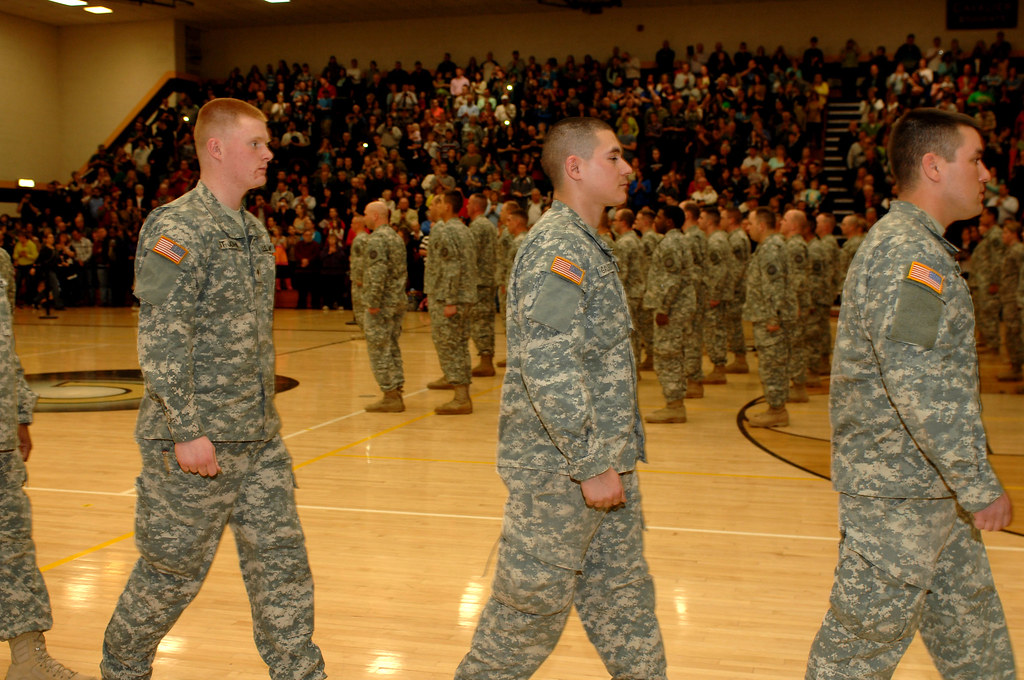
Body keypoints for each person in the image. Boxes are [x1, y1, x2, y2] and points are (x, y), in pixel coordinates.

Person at [100, 98, 326, 680]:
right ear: (217, 148)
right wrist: (186, 429)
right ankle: (121, 670)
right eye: (257, 143)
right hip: (197, 445)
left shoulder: (251, 231)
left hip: (258, 439)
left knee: (283, 569)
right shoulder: (177, 227)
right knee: (170, 575)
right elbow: (160, 336)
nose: (269, 154)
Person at [805, 108, 1015, 679]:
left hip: (930, 495)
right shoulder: (909, 256)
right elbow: (918, 381)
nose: (985, 173)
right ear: (933, 165)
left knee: (979, 649)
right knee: (856, 656)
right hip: (896, 500)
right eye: (974, 159)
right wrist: (976, 482)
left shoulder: (919, 248)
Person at [455, 117, 667, 679]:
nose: (628, 169)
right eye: (614, 158)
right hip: (564, 477)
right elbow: (546, 362)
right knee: (521, 626)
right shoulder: (558, 249)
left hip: (606, 466)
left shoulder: (589, 246)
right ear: (575, 168)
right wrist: (591, 461)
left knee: (627, 609)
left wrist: (609, 460)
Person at [1, 248, 96, 680]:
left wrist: (20, 413)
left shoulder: (1, 261)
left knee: (13, 546)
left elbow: (6, 346)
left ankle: (27, 661)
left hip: (0, 436)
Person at [423, 190, 477, 414]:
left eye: (437, 203)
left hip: (451, 298)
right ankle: (457, 387)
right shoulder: (462, 229)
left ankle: (461, 398)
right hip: (460, 296)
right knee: (458, 344)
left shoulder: (446, 231)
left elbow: (452, 267)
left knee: (451, 345)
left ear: (446, 207)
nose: (432, 207)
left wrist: (450, 301)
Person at [743, 207, 797, 427]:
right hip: (769, 317)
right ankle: (776, 407)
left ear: (762, 226)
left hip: (771, 320)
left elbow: (774, 286)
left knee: (772, 365)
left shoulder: (770, 249)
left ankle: (777, 410)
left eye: (751, 223)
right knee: (772, 364)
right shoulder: (770, 246)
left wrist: (773, 318)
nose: (748, 227)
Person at [644, 205, 696, 424]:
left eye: (658, 217)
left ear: (670, 222)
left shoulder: (670, 243)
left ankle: (675, 406)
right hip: (679, 305)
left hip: (673, 308)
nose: (655, 220)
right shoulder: (680, 240)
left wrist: (664, 308)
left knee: (667, 355)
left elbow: (672, 278)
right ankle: (675, 403)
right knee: (673, 353)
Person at [361, 200, 408, 412]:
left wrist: (373, 302)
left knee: (379, 348)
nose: (364, 218)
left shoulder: (377, 239)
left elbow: (377, 273)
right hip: (397, 300)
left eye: (366, 214)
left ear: (376, 216)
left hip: (382, 303)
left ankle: (390, 394)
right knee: (391, 345)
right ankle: (396, 388)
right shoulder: (396, 237)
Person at [466, 194, 498, 378]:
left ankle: (486, 361)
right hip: (486, 279)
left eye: (469, 203)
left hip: (480, 281)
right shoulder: (487, 224)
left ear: (476, 206)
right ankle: (485, 359)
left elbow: (471, 254)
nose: (467, 206)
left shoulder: (478, 225)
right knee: (483, 319)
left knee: (480, 321)